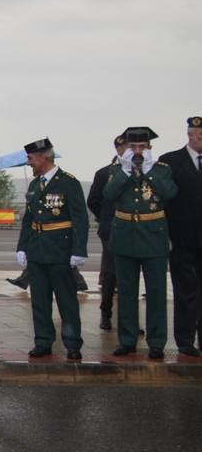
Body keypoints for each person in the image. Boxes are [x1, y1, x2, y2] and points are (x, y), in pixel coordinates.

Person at [106, 127, 177, 359]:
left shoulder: (161, 169)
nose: (137, 152)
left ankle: (156, 342)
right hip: (125, 235)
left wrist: (149, 171)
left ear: (149, 148)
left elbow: (170, 193)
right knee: (126, 291)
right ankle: (127, 340)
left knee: (156, 291)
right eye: (133, 147)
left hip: (153, 235)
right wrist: (126, 171)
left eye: (142, 147)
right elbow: (108, 194)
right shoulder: (118, 169)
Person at [15, 138, 89, 360]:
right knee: (39, 300)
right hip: (37, 251)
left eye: (30, 158)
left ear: (43, 157)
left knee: (66, 300)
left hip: (60, 251)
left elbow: (80, 219)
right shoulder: (34, 185)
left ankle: (73, 343)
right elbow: (29, 219)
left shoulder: (68, 183)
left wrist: (79, 250)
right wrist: (22, 247)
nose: (29, 163)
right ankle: (43, 342)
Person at [159, 116, 202, 357]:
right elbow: (163, 200)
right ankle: (185, 339)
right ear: (190, 134)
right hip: (182, 238)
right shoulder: (170, 161)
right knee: (185, 290)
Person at [86, 133, 128, 330]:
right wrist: (105, 218)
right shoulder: (105, 173)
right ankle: (106, 313)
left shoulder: (142, 171)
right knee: (111, 274)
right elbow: (93, 200)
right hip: (111, 229)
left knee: (130, 275)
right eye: (123, 148)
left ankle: (129, 320)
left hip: (133, 230)